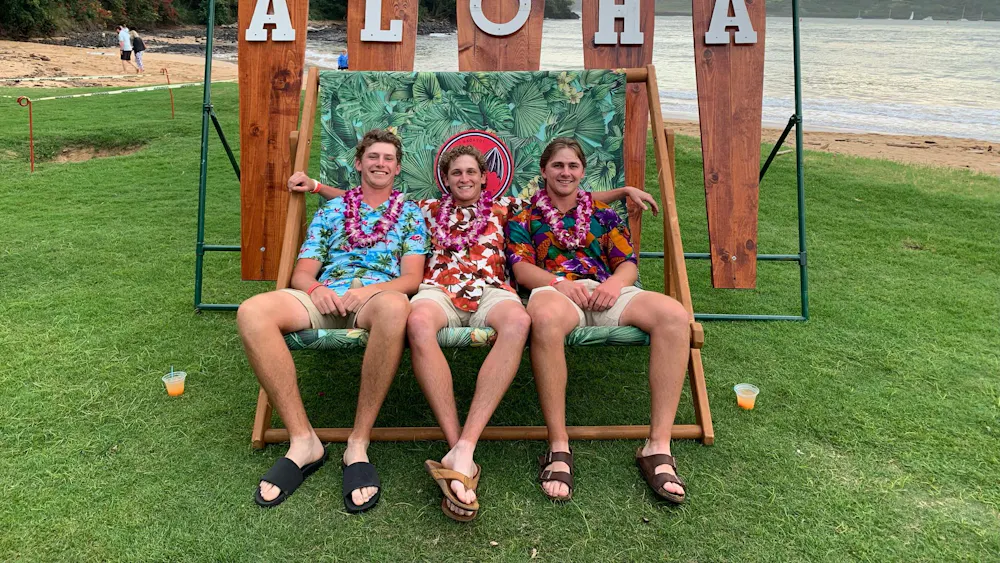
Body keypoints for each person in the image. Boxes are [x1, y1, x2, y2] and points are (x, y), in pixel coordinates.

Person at [290, 142, 658, 520]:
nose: (464, 178)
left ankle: (466, 445)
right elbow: (369, 199)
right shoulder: (426, 210)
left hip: (493, 290)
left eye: (471, 172)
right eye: (456, 173)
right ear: (446, 181)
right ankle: (458, 448)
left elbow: (565, 194)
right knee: (417, 322)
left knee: (518, 321)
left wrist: (622, 192)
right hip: (438, 291)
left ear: (484, 178)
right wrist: (317, 187)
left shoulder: (507, 207)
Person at [238, 129, 429, 513]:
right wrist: (315, 289)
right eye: (373, 156)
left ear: (397, 169)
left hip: (376, 297)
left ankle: (358, 442)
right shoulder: (332, 211)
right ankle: (303, 440)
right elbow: (302, 272)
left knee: (396, 307)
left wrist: (369, 291)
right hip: (327, 294)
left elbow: (412, 279)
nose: (380, 164)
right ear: (358, 163)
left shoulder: (410, 214)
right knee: (252, 312)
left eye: (388, 159)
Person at [506, 137, 691, 505]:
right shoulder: (524, 214)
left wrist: (614, 284)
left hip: (605, 289)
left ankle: (658, 446)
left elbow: (627, 264)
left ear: (582, 172)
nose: (565, 172)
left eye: (573, 166)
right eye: (558, 165)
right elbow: (522, 268)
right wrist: (558, 284)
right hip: (554, 288)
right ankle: (559, 445)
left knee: (674, 315)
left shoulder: (604, 214)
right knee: (544, 318)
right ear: (543, 170)